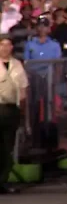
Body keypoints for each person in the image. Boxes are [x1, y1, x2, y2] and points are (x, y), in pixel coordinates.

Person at [0, 35, 28, 194]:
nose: (5, 48)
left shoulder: (17, 65)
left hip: (12, 109)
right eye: (2, 45)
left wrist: (23, 112)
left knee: (7, 147)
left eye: (8, 45)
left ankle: (2, 180)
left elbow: (23, 89)